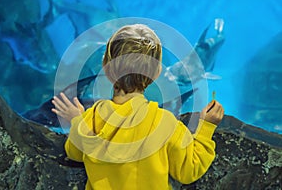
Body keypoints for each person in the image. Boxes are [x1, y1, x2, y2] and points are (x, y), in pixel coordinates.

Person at [52, 24, 224, 190]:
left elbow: (73, 152)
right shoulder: (165, 122)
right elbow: (189, 170)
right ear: (157, 72)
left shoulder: (94, 118)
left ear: (105, 67)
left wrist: (77, 120)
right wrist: (206, 127)